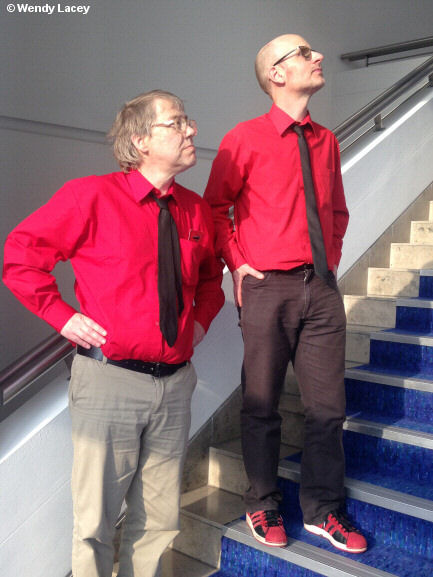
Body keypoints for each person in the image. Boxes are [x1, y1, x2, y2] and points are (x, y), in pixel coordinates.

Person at [3, 89, 225, 577]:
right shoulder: (90, 196)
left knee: (161, 518)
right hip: (109, 383)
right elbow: (21, 256)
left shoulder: (194, 209)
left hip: (174, 383)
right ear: (142, 139)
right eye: (177, 122)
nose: (191, 130)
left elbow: (210, 279)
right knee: (95, 520)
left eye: (189, 120)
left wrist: (202, 322)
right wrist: (61, 315)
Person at [204, 35, 367, 554]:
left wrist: (331, 261)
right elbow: (214, 210)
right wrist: (238, 263)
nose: (317, 56)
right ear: (276, 74)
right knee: (261, 404)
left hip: (320, 287)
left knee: (327, 408)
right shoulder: (243, 138)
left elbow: (336, 210)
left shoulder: (327, 140)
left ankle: (322, 510)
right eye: (303, 53)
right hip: (266, 287)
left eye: (314, 50)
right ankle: (263, 502)